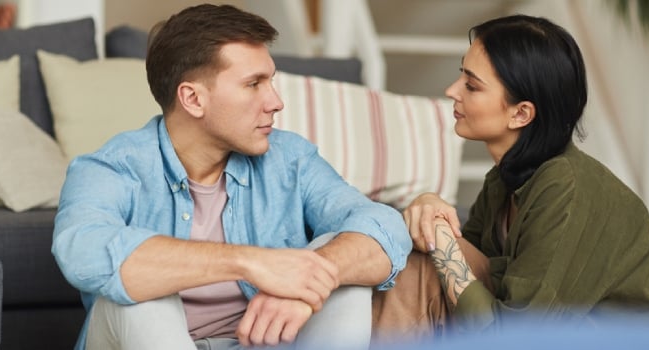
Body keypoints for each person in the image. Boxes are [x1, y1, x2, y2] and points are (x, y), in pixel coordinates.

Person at [52, 4, 411, 350]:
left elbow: (383, 225)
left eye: (271, 81)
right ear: (193, 99)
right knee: (140, 293)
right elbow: (81, 250)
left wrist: (315, 280)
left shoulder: (291, 159)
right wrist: (251, 262)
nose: (275, 101)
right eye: (254, 84)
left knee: (339, 265)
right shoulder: (110, 167)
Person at [373, 14, 649, 341]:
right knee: (417, 261)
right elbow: (467, 275)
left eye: (471, 85)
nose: (452, 91)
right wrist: (429, 206)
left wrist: (438, 238)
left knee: (424, 261)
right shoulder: (503, 180)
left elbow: (512, 336)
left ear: (521, 113)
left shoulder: (564, 187)